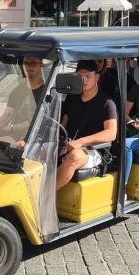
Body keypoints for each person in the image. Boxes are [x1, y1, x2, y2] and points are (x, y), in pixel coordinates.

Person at [56, 60, 118, 190]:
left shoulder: (107, 102)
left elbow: (111, 133)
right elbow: (62, 124)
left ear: (97, 77)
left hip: (95, 150)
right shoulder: (72, 98)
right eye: (80, 76)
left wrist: (81, 142)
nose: (83, 80)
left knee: (74, 157)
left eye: (88, 76)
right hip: (68, 144)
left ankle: (45, 197)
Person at [0, 56, 46, 142]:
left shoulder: (47, 92)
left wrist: (10, 128)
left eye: (33, 63)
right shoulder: (18, 90)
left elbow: (41, 120)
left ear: (41, 65)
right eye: (26, 63)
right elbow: (6, 116)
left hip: (36, 137)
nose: (28, 66)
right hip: (14, 135)